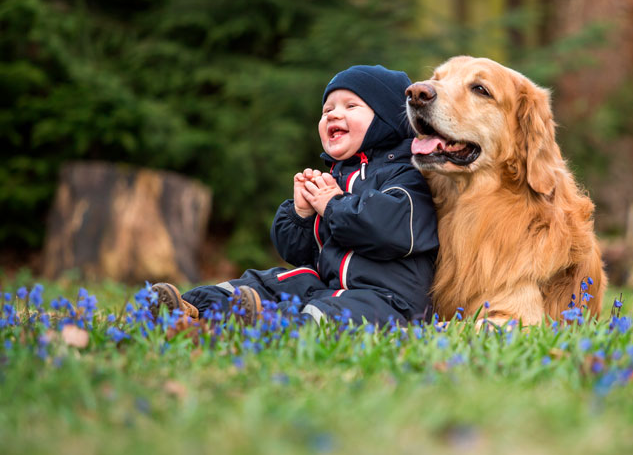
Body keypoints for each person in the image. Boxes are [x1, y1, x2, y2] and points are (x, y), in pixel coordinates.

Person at [151, 65, 439, 326]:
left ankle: (271, 324)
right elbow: (298, 254)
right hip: (328, 286)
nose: (334, 114)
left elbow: (388, 228)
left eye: (351, 106)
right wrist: (301, 215)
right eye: (327, 110)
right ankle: (191, 308)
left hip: (388, 300)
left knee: (334, 311)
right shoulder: (337, 177)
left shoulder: (407, 175)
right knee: (273, 281)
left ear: (386, 120)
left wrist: (332, 205)